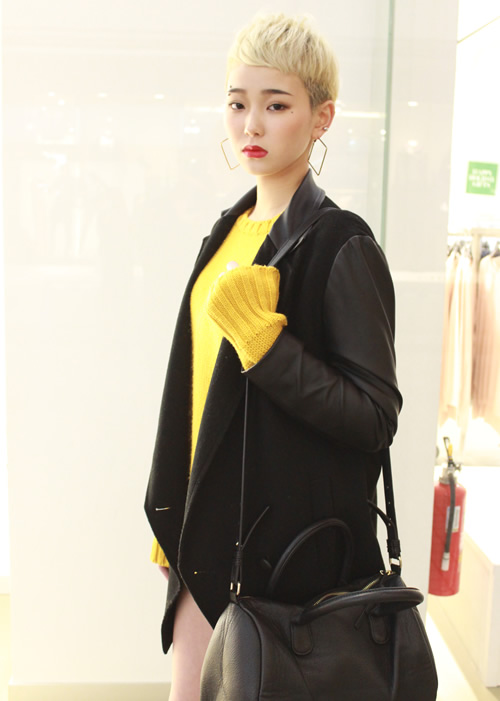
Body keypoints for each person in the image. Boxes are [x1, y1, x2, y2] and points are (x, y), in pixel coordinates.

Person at [145, 12, 402, 701]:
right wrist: (173, 513)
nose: (251, 125)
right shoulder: (227, 232)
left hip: (284, 571)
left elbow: (374, 416)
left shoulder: (341, 243)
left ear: (322, 117)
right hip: (205, 550)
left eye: (277, 105)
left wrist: (267, 350)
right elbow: (196, 392)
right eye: (238, 103)